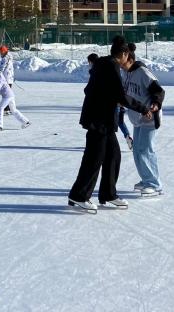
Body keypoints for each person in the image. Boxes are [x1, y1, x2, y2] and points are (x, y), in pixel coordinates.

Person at [67, 36, 152, 213]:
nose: (127, 61)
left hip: (101, 120)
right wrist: (142, 108)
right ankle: (79, 196)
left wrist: (106, 97)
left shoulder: (101, 63)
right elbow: (120, 95)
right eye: (127, 57)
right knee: (93, 158)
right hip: (99, 120)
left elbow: (89, 89)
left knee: (113, 155)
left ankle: (108, 194)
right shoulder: (111, 66)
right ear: (123, 54)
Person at [121, 43, 165, 197]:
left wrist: (155, 104)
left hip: (150, 118)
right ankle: (146, 179)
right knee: (137, 151)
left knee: (146, 150)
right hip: (137, 118)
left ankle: (154, 184)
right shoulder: (125, 73)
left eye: (122, 61)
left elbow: (158, 90)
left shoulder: (142, 72)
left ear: (129, 58)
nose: (120, 65)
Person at [0, 66, 30, 130]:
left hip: (7, 96)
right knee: (13, 110)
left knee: (0, 108)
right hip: (10, 95)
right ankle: (25, 122)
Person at [0, 45, 14, 114]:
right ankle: (10, 109)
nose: (0, 54)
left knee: (6, 94)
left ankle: (7, 109)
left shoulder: (6, 58)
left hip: (7, 79)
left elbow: (3, 67)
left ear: (4, 51)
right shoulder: (7, 57)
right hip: (8, 78)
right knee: (8, 94)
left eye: (1, 52)